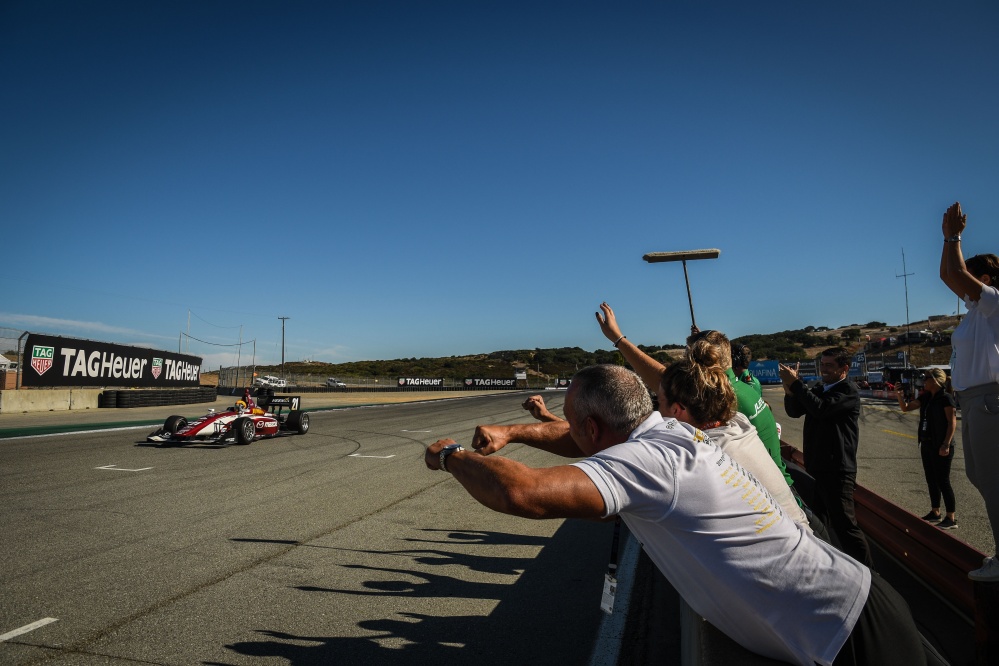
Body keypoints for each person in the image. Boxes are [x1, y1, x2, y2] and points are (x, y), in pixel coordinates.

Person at [426, 365, 926, 665]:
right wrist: (514, 433)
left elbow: (523, 492)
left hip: (844, 633)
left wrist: (450, 453)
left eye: (579, 426)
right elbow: (576, 438)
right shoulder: (668, 432)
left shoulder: (648, 463)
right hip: (855, 603)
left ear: (595, 428)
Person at [595, 302, 795, 492]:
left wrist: (618, 339)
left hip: (766, 495)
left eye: (686, 358)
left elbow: (662, 378)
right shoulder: (745, 387)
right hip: (780, 485)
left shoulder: (722, 397)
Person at [938, 201, 999, 582]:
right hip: (976, 402)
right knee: (981, 475)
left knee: (993, 479)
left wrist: (953, 237)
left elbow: (955, 273)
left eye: (973, 283)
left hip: (990, 400)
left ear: (987, 278)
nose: (964, 292)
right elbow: (951, 275)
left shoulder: (994, 302)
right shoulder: (979, 312)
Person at [780, 349, 875, 569]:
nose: (824, 369)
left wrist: (797, 385)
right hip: (817, 467)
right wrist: (789, 388)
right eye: (822, 364)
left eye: (830, 365)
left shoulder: (847, 391)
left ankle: (870, 574)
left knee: (845, 526)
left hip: (837, 470)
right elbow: (794, 411)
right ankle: (828, 566)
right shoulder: (820, 388)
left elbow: (820, 409)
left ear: (844, 369)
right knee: (819, 521)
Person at [896, 368, 958, 529]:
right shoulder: (926, 397)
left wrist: (946, 444)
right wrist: (899, 396)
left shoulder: (946, 398)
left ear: (936, 380)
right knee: (931, 479)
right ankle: (935, 511)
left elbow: (952, 423)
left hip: (941, 445)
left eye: (927, 378)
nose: (924, 381)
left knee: (943, 481)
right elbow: (906, 408)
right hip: (927, 443)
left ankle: (951, 518)